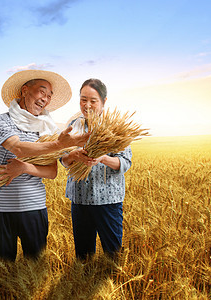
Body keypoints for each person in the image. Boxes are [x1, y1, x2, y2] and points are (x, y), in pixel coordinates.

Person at [0, 70, 89, 261]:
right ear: (25, 90)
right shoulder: (0, 121)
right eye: (42, 92)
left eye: (49, 96)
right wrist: (59, 145)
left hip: (33, 207)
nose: (46, 99)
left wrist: (24, 168)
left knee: (35, 269)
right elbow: (18, 148)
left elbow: (51, 172)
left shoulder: (49, 129)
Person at [59, 78, 132, 260]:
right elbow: (63, 160)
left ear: (104, 101)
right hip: (79, 199)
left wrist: (103, 158)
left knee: (112, 255)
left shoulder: (116, 128)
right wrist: (73, 156)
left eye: (93, 100)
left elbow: (124, 163)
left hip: (107, 200)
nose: (87, 105)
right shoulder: (73, 125)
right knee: (83, 258)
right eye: (83, 100)